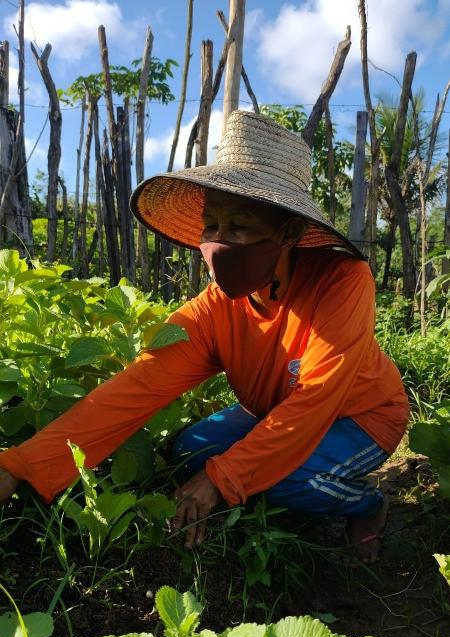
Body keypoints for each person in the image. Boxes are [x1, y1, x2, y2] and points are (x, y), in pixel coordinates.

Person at [0, 111, 409, 562]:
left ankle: (367, 504)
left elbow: (316, 400)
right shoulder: (214, 310)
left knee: (287, 478)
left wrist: (222, 478)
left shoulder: (342, 280)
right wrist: (20, 466)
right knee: (188, 451)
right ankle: (275, 480)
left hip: (361, 417)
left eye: (238, 225)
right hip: (272, 410)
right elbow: (136, 387)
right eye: (210, 225)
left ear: (289, 231)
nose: (217, 242)